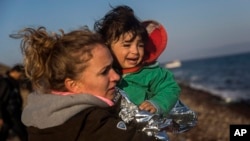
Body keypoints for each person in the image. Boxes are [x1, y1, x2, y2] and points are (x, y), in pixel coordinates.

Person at [12, 26, 161, 141]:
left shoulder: (39, 117)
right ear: (74, 85)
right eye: (104, 71)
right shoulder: (92, 123)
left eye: (113, 67)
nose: (116, 76)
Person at [94, 5, 181, 116]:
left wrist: (156, 104)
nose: (135, 51)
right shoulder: (102, 71)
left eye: (140, 45)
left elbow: (170, 89)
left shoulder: (151, 72)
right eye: (127, 45)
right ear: (107, 46)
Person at [0, 64, 28, 141]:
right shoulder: (5, 82)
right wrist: (0, 117)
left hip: (15, 113)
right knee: (23, 134)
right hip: (8, 114)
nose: (20, 76)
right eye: (20, 74)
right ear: (15, 72)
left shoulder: (13, 82)